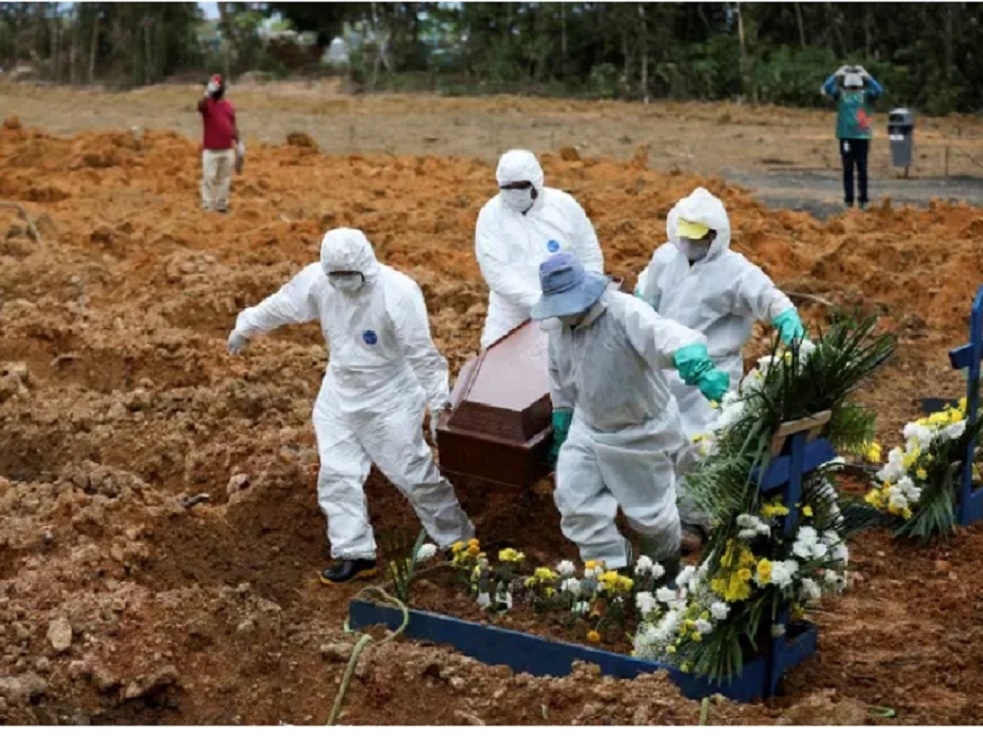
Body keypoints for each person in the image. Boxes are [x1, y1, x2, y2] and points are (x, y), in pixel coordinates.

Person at [227, 228, 475, 584]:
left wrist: (439, 406)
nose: (342, 284)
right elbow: (283, 304)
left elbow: (424, 356)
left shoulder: (398, 293)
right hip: (340, 389)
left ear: (366, 267)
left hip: (389, 394)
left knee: (413, 473)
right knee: (337, 474)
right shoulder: (318, 282)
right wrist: (246, 325)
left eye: (349, 276)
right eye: (336, 277)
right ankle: (354, 552)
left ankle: (459, 542)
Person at [533, 251, 729, 579]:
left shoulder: (624, 312)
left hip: (640, 431)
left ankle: (665, 572)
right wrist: (563, 416)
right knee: (575, 501)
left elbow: (664, 334)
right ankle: (613, 573)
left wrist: (694, 359)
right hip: (589, 426)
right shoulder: (558, 327)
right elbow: (559, 374)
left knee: (651, 518)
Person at [635, 187, 805, 552]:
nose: (689, 244)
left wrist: (786, 318)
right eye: (685, 236)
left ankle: (695, 518)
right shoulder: (666, 258)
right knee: (661, 441)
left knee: (702, 445)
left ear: (715, 236)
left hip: (711, 375)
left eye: (698, 238)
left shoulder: (735, 271)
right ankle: (661, 515)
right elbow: (645, 296)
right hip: (667, 366)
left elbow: (769, 297)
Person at [475, 149, 604, 350]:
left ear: (536, 182)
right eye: (508, 187)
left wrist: (582, 298)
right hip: (512, 313)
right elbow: (496, 272)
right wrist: (538, 301)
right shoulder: (491, 216)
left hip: (568, 307)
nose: (515, 193)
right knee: (497, 363)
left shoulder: (564, 207)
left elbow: (589, 253)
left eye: (521, 186)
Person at [821, 65, 884, 210]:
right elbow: (825, 88)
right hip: (851, 136)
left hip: (856, 136)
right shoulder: (844, 94)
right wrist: (867, 76)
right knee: (856, 169)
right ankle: (855, 200)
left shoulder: (861, 94)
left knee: (854, 169)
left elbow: (826, 87)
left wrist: (837, 74)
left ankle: (858, 200)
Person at [198, 73, 245, 213]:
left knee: (224, 179)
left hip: (227, 149)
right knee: (209, 178)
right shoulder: (207, 105)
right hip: (210, 150)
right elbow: (200, 106)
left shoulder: (229, 106)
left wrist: (239, 142)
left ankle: (221, 205)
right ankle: (207, 204)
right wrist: (206, 94)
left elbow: (232, 125)